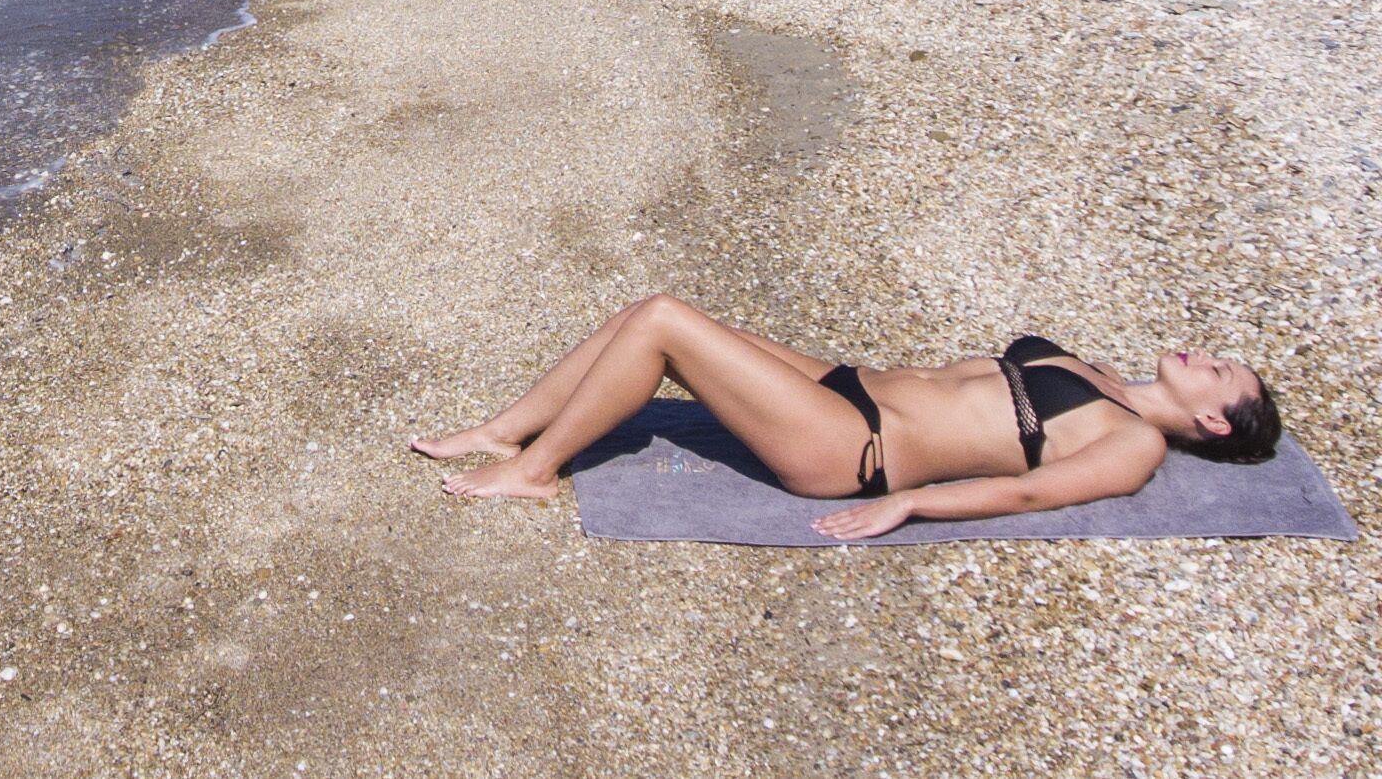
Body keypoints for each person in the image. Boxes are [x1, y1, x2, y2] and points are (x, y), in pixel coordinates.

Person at [413, 294, 1280, 540]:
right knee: (642, 315)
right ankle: (505, 429)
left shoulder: (1129, 445)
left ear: (1212, 421)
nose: (1207, 355)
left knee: (662, 326)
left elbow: (1031, 496)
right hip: (849, 385)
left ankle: (531, 474)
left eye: (1221, 372)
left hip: (857, 447)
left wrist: (911, 504)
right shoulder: (1101, 376)